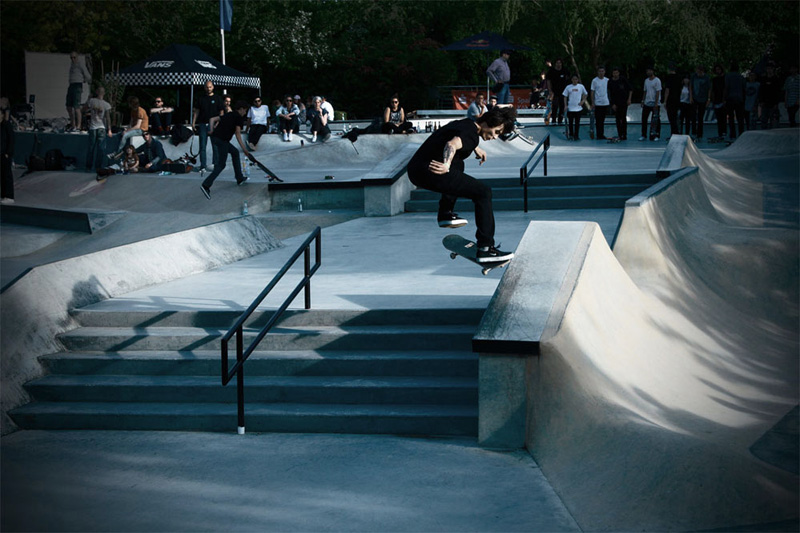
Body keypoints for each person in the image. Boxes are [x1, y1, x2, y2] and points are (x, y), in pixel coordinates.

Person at [406, 106, 516, 263]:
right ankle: (486, 248)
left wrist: (476, 149)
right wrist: (446, 164)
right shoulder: (472, 136)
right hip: (430, 171)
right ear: (489, 122)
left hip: (416, 169)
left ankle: (445, 213)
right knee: (483, 192)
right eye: (496, 131)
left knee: (459, 166)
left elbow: (457, 135)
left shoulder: (466, 124)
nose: (494, 137)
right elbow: (452, 144)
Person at [200, 100, 251, 199]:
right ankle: (206, 185)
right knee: (221, 165)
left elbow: (212, 119)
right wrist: (244, 149)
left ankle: (239, 178)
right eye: (245, 110)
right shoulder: (238, 118)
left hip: (215, 138)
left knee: (235, 152)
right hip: (222, 141)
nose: (245, 113)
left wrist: (210, 129)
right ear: (241, 109)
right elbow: (237, 134)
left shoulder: (229, 114)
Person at [191, 81, 225, 171]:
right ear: (204, 88)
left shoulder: (217, 98)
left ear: (213, 87)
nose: (208, 89)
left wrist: (218, 123)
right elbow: (197, 111)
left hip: (214, 125)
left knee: (215, 146)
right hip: (203, 123)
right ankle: (203, 165)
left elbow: (221, 112)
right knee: (202, 146)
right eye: (206, 87)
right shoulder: (201, 98)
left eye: (210, 87)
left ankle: (216, 164)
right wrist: (193, 122)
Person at [85, 86, 112, 171]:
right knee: (100, 149)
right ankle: (98, 166)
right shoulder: (106, 104)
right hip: (101, 127)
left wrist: (88, 98)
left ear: (97, 92)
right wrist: (109, 129)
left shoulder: (92, 101)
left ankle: (88, 166)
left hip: (93, 127)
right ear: (104, 93)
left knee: (91, 148)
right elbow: (108, 118)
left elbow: (84, 109)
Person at [66, 51, 91, 132]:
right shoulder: (72, 65)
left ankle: (78, 126)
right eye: (71, 58)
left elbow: (88, 76)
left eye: (74, 57)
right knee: (69, 106)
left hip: (77, 85)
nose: (73, 59)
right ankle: (73, 124)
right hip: (71, 85)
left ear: (77, 57)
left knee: (76, 106)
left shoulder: (80, 64)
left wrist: (83, 80)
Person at [608, 66, 632, 140]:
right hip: (615, 102)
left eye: (616, 73)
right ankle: (619, 134)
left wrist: (629, 99)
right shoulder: (610, 81)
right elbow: (609, 93)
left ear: (618, 73)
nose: (615, 74)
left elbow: (630, 89)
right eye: (614, 73)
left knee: (623, 118)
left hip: (624, 101)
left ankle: (624, 134)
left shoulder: (623, 79)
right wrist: (612, 104)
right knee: (617, 119)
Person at [724, 61, 746, 139]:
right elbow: (744, 88)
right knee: (740, 117)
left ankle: (732, 134)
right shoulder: (741, 77)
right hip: (739, 98)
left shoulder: (728, 76)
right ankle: (741, 133)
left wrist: (725, 98)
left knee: (731, 117)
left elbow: (727, 87)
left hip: (730, 98)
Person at [563, 75, 588, 140]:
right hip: (570, 108)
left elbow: (586, 94)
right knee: (570, 122)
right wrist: (565, 105)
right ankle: (571, 134)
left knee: (577, 123)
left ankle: (576, 135)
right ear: (572, 80)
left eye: (576, 79)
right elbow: (565, 96)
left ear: (578, 80)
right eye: (573, 79)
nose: (575, 81)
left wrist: (583, 101)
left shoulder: (581, 86)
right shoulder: (568, 87)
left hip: (578, 108)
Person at [639, 67, 662, 141]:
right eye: (647, 71)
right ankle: (643, 134)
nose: (648, 72)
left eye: (649, 71)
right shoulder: (646, 81)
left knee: (655, 120)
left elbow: (658, 92)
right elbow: (645, 91)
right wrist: (643, 100)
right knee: (644, 119)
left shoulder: (657, 80)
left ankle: (655, 135)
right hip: (647, 102)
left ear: (652, 71)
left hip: (655, 103)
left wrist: (656, 102)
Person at [546, 59, 570, 126]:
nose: (559, 64)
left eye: (560, 63)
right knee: (555, 105)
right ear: (555, 64)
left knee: (562, 106)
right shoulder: (551, 71)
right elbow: (548, 81)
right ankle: (553, 119)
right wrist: (550, 90)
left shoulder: (564, 70)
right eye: (557, 63)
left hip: (563, 91)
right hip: (554, 91)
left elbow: (568, 78)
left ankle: (560, 120)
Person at [690, 65, 711, 139]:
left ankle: (699, 133)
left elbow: (709, 89)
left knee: (700, 117)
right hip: (695, 98)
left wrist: (708, 99)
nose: (698, 73)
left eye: (699, 72)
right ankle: (693, 131)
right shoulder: (694, 76)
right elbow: (691, 87)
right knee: (693, 116)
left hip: (703, 99)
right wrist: (691, 97)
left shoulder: (706, 77)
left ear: (702, 71)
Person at [590, 66, 610, 139]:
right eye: (600, 71)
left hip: (605, 102)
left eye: (602, 71)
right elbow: (592, 91)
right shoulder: (594, 81)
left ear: (604, 72)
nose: (601, 73)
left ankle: (602, 134)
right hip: (597, 103)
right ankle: (599, 134)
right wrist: (593, 102)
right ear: (598, 72)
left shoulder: (607, 80)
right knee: (598, 120)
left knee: (603, 119)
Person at [662, 63, 682, 137]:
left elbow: (667, 89)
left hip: (670, 99)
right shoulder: (679, 77)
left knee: (671, 117)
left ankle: (674, 133)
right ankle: (676, 132)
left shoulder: (669, 78)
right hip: (677, 99)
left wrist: (665, 101)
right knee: (675, 116)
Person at [759, 62, 781, 129]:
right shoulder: (763, 79)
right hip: (764, 102)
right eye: (768, 69)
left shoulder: (776, 79)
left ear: (773, 69)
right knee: (763, 120)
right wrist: (761, 101)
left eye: (770, 69)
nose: (769, 70)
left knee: (773, 120)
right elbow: (761, 91)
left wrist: (776, 103)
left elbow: (777, 92)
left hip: (773, 103)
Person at [1, 97, 14, 204]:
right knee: (2, 175)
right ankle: (3, 195)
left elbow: (11, 140)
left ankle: (9, 196)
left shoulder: (7, 125)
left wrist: (8, 153)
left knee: (7, 175)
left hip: (5, 154)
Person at [710, 64, 727, 139]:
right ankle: (720, 132)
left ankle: (724, 132)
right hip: (716, 100)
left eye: (719, 70)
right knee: (719, 118)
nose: (718, 71)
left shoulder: (725, 78)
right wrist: (713, 100)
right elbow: (712, 90)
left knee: (724, 117)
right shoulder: (714, 79)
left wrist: (724, 100)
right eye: (716, 70)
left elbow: (725, 89)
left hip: (723, 100)